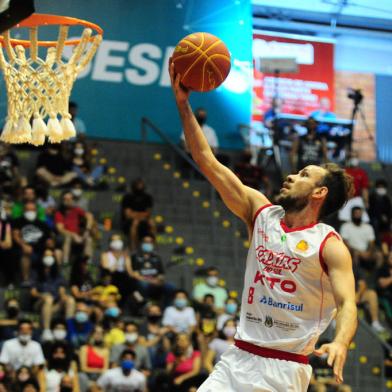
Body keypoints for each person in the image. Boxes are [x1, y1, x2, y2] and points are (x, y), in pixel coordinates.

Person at [170, 61, 357, 390]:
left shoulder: (329, 245)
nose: (290, 176)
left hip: (283, 371)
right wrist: (183, 105)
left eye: (303, 176)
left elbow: (347, 303)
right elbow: (206, 160)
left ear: (319, 193)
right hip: (237, 358)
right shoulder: (260, 212)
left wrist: (341, 342)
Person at [31, 255, 75, 341]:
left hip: (53, 306)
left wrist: (64, 298)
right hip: (39, 304)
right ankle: (46, 331)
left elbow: (62, 292)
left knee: (70, 300)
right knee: (49, 298)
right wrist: (42, 295)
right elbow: (33, 293)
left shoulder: (58, 276)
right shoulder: (36, 274)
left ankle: (67, 329)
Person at [12, 201, 51, 283]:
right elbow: (15, 236)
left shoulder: (42, 224)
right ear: (24, 211)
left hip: (39, 249)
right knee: (26, 253)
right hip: (22, 249)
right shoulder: (18, 222)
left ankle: (48, 281)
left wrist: (49, 248)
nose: (30, 212)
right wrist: (23, 245)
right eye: (28, 210)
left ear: (36, 211)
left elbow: (49, 239)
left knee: (49, 255)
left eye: (32, 210)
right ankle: (26, 280)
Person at [131, 235, 174, 305]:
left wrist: (158, 280)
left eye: (150, 242)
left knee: (170, 287)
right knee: (143, 285)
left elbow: (161, 274)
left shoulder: (157, 257)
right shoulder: (135, 257)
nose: (148, 244)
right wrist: (150, 281)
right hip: (142, 282)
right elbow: (135, 275)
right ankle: (145, 305)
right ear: (141, 243)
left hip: (155, 282)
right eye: (146, 242)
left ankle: (166, 308)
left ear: (153, 244)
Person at [55, 190, 94, 263]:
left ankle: (88, 262)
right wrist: (73, 235)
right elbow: (60, 229)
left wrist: (87, 230)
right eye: (66, 199)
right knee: (68, 238)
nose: (68, 201)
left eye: (70, 199)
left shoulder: (76, 209)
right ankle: (65, 263)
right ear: (62, 200)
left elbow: (89, 216)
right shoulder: (59, 213)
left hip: (78, 235)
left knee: (89, 239)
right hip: (65, 236)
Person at [121, 178, 155, 250]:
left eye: (141, 185)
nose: (139, 186)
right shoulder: (127, 197)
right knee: (135, 223)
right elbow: (128, 214)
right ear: (133, 186)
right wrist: (139, 216)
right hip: (129, 221)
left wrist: (137, 215)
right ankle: (133, 247)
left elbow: (148, 213)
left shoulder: (147, 197)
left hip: (143, 219)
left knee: (152, 223)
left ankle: (153, 246)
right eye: (138, 185)